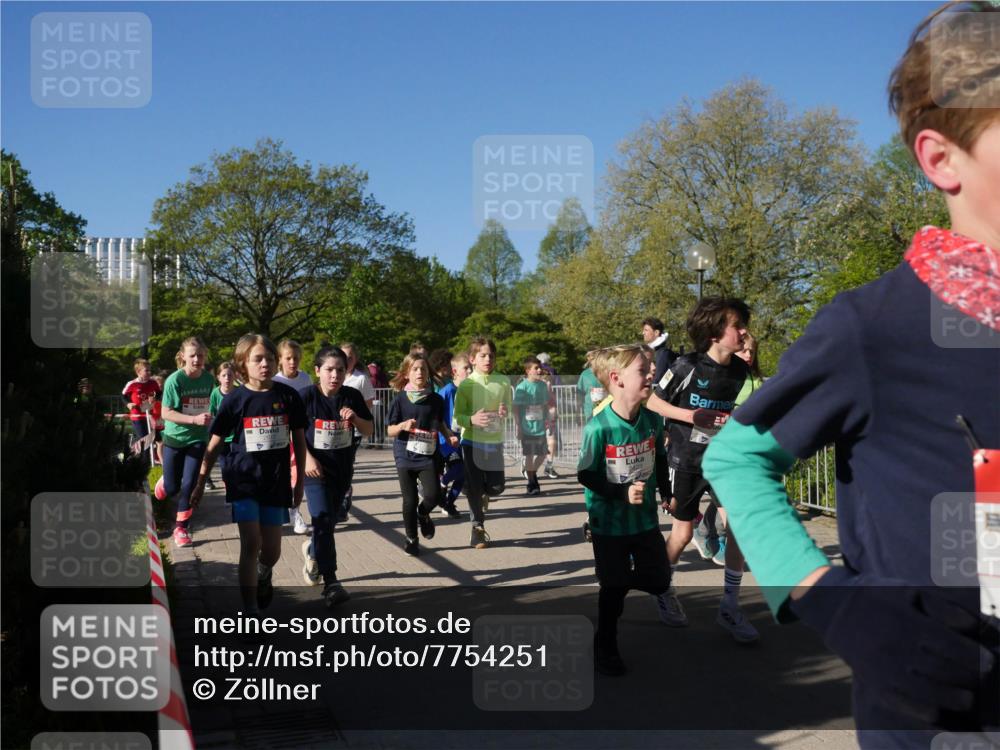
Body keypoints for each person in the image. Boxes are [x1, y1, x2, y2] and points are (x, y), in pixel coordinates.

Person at [704, 4, 999, 745]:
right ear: (941, 159)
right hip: (945, 723)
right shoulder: (875, 327)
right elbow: (736, 457)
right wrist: (835, 602)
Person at [645, 297, 758, 643]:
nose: (743, 332)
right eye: (736, 325)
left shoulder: (740, 372)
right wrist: (692, 416)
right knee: (681, 535)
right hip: (687, 462)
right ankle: (664, 590)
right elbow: (651, 399)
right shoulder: (686, 365)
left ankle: (729, 606)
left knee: (738, 526)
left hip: (723, 461)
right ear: (712, 333)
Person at [190, 334, 307, 614]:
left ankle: (263, 575)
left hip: (276, 482)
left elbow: (300, 440)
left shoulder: (288, 396)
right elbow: (215, 443)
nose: (265, 364)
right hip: (243, 479)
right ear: (243, 364)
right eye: (257, 359)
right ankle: (250, 610)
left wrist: (299, 481)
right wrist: (200, 482)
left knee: (272, 551)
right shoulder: (235, 400)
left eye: (269, 358)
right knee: (251, 542)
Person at [577, 344, 672, 675]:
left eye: (650, 370)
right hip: (609, 523)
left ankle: (612, 576)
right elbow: (585, 474)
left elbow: (659, 458)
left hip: (644, 520)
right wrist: (620, 492)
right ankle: (606, 647)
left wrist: (667, 492)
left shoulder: (652, 421)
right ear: (616, 379)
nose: (651, 374)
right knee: (613, 594)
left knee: (660, 580)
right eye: (643, 371)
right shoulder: (599, 428)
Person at [300, 346, 373, 605]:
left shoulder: (351, 396)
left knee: (328, 523)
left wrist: (354, 418)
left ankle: (313, 550)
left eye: (340, 370)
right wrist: (306, 458)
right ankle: (331, 583)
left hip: (341, 470)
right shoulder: (306, 397)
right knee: (321, 519)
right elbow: (291, 432)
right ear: (317, 371)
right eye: (329, 370)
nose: (335, 375)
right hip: (314, 470)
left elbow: (369, 429)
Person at [691, 333, 763, 564]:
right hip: (717, 445)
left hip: (745, 447)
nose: (749, 355)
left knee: (728, 497)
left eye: (752, 351)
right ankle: (711, 534)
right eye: (744, 350)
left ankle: (708, 532)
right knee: (725, 496)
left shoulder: (755, 380)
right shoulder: (723, 378)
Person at [386, 353, 460, 555]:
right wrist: (402, 425)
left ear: (428, 373)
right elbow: (389, 430)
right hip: (404, 455)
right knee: (409, 500)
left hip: (428, 454)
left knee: (434, 495)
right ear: (407, 374)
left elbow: (441, 422)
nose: (419, 372)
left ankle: (423, 514)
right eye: (415, 369)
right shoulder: (400, 400)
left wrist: (449, 435)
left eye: (423, 369)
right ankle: (411, 539)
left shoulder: (435, 399)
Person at [156, 337, 215, 548]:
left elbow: (212, 406)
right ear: (183, 357)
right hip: (175, 438)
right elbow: (165, 412)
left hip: (197, 438)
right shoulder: (175, 380)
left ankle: (181, 527)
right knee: (172, 488)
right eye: (192, 355)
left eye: (200, 355)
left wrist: (211, 417)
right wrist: (193, 419)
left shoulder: (209, 380)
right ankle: (165, 480)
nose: (197, 359)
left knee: (189, 484)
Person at [454, 336, 512, 549]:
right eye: (483, 355)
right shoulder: (467, 385)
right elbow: (457, 416)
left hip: (494, 442)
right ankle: (477, 528)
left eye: (491, 355)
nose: (488, 359)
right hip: (471, 441)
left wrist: (505, 411)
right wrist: (471, 420)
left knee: (496, 487)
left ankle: (481, 493)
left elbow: (509, 410)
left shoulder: (503, 381)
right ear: (472, 359)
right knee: (475, 487)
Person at [274, 339, 312, 534]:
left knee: (298, 474)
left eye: (296, 358)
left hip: (300, 433)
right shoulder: (275, 381)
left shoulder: (305, 378)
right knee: (283, 475)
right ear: (280, 359)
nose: (292, 362)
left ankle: (295, 512)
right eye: (288, 358)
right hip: (280, 435)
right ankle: (282, 513)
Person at [340, 343, 377, 522]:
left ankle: (344, 497)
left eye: (350, 357)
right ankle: (339, 495)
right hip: (334, 432)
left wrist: (356, 417)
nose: (347, 361)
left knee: (346, 464)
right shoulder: (333, 374)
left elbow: (368, 404)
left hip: (353, 431)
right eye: (344, 356)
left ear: (355, 359)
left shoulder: (361, 379)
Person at [436, 353, 472, 518]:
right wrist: (446, 433)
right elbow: (437, 414)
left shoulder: (468, 391)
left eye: (471, 368)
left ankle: (449, 503)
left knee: (463, 474)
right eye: (466, 368)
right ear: (455, 372)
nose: (470, 371)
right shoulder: (447, 391)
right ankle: (442, 483)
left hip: (463, 437)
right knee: (458, 468)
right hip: (447, 440)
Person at [514, 356, 550, 496]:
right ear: (528, 370)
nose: (539, 370)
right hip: (526, 427)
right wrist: (518, 426)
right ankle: (531, 482)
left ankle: (531, 473)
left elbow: (545, 405)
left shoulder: (542, 385)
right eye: (536, 368)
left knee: (542, 455)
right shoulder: (522, 387)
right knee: (529, 455)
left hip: (540, 426)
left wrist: (549, 419)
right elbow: (516, 408)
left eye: (539, 367)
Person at [208, 361, 238, 489]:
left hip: (238, 436)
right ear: (218, 377)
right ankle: (229, 489)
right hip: (221, 437)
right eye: (224, 375)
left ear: (235, 376)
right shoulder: (215, 393)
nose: (227, 378)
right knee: (225, 466)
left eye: (230, 375)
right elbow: (212, 413)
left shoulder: (239, 392)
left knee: (237, 465)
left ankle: (237, 490)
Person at [122, 358, 161, 449]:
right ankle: (137, 456)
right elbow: (122, 396)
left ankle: (145, 458)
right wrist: (128, 404)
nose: (149, 372)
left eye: (150, 370)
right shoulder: (132, 384)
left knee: (152, 438)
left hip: (149, 414)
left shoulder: (153, 382)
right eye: (146, 370)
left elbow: (159, 392)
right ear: (138, 372)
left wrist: (155, 398)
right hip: (137, 415)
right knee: (144, 439)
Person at [536, 353, 561, 479]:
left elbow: (552, 402)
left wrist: (554, 414)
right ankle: (528, 466)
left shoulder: (547, 385)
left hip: (547, 418)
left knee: (552, 442)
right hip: (534, 419)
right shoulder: (528, 385)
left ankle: (549, 467)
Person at [576, 350, 607, 423]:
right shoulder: (585, 375)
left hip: (605, 410)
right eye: (592, 359)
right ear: (588, 360)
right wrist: (577, 413)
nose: (595, 361)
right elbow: (579, 395)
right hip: (590, 411)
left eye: (596, 358)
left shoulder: (605, 372)